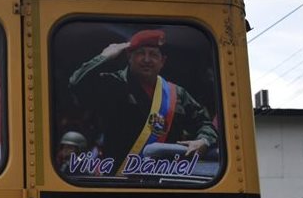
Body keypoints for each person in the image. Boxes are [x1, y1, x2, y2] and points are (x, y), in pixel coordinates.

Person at [67, 29, 218, 170]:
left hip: (165, 179)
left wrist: (203, 141)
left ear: (162, 61)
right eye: (141, 53)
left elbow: (204, 124)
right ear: (129, 57)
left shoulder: (177, 93)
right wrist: (105, 56)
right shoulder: (112, 84)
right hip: (117, 178)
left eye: (153, 54)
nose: (147, 59)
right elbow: (76, 84)